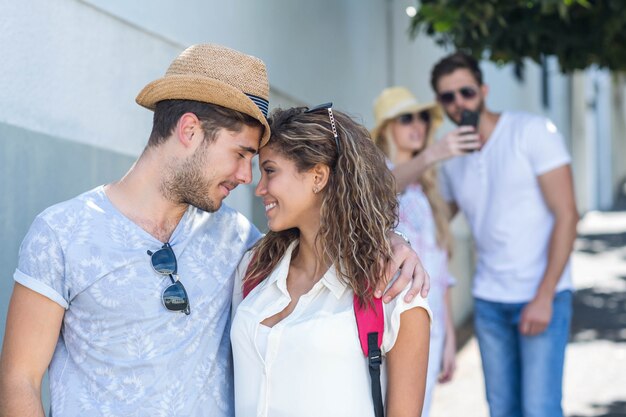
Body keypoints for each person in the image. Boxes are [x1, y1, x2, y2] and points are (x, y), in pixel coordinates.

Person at [0, 44, 429, 417]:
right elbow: (19, 379)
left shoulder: (237, 240)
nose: (247, 176)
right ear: (190, 131)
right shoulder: (62, 233)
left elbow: (319, 250)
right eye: (241, 153)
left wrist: (394, 242)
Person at [230, 105, 432, 417]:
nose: (259, 188)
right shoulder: (254, 269)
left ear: (318, 176)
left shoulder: (396, 288)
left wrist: (394, 239)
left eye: (269, 171)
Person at [431, 52, 579, 417]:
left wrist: (544, 296)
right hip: (489, 300)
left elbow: (567, 215)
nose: (458, 103)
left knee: (539, 409)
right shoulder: (451, 157)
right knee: (502, 409)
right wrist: (430, 157)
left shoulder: (530, 131)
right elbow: (432, 223)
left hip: (542, 293)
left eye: (465, 92)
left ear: (483, 90)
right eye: (448, 97)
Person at [370, 86, 459, 417]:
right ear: (387, 127)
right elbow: (386, 187)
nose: (418, 124)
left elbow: (440, 269)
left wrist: (449, 336)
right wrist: (432, 155)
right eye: (406, 117)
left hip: (429, 324)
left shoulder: (428, 189)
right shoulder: (376, 171)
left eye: (423, 117)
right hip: (389, 321)